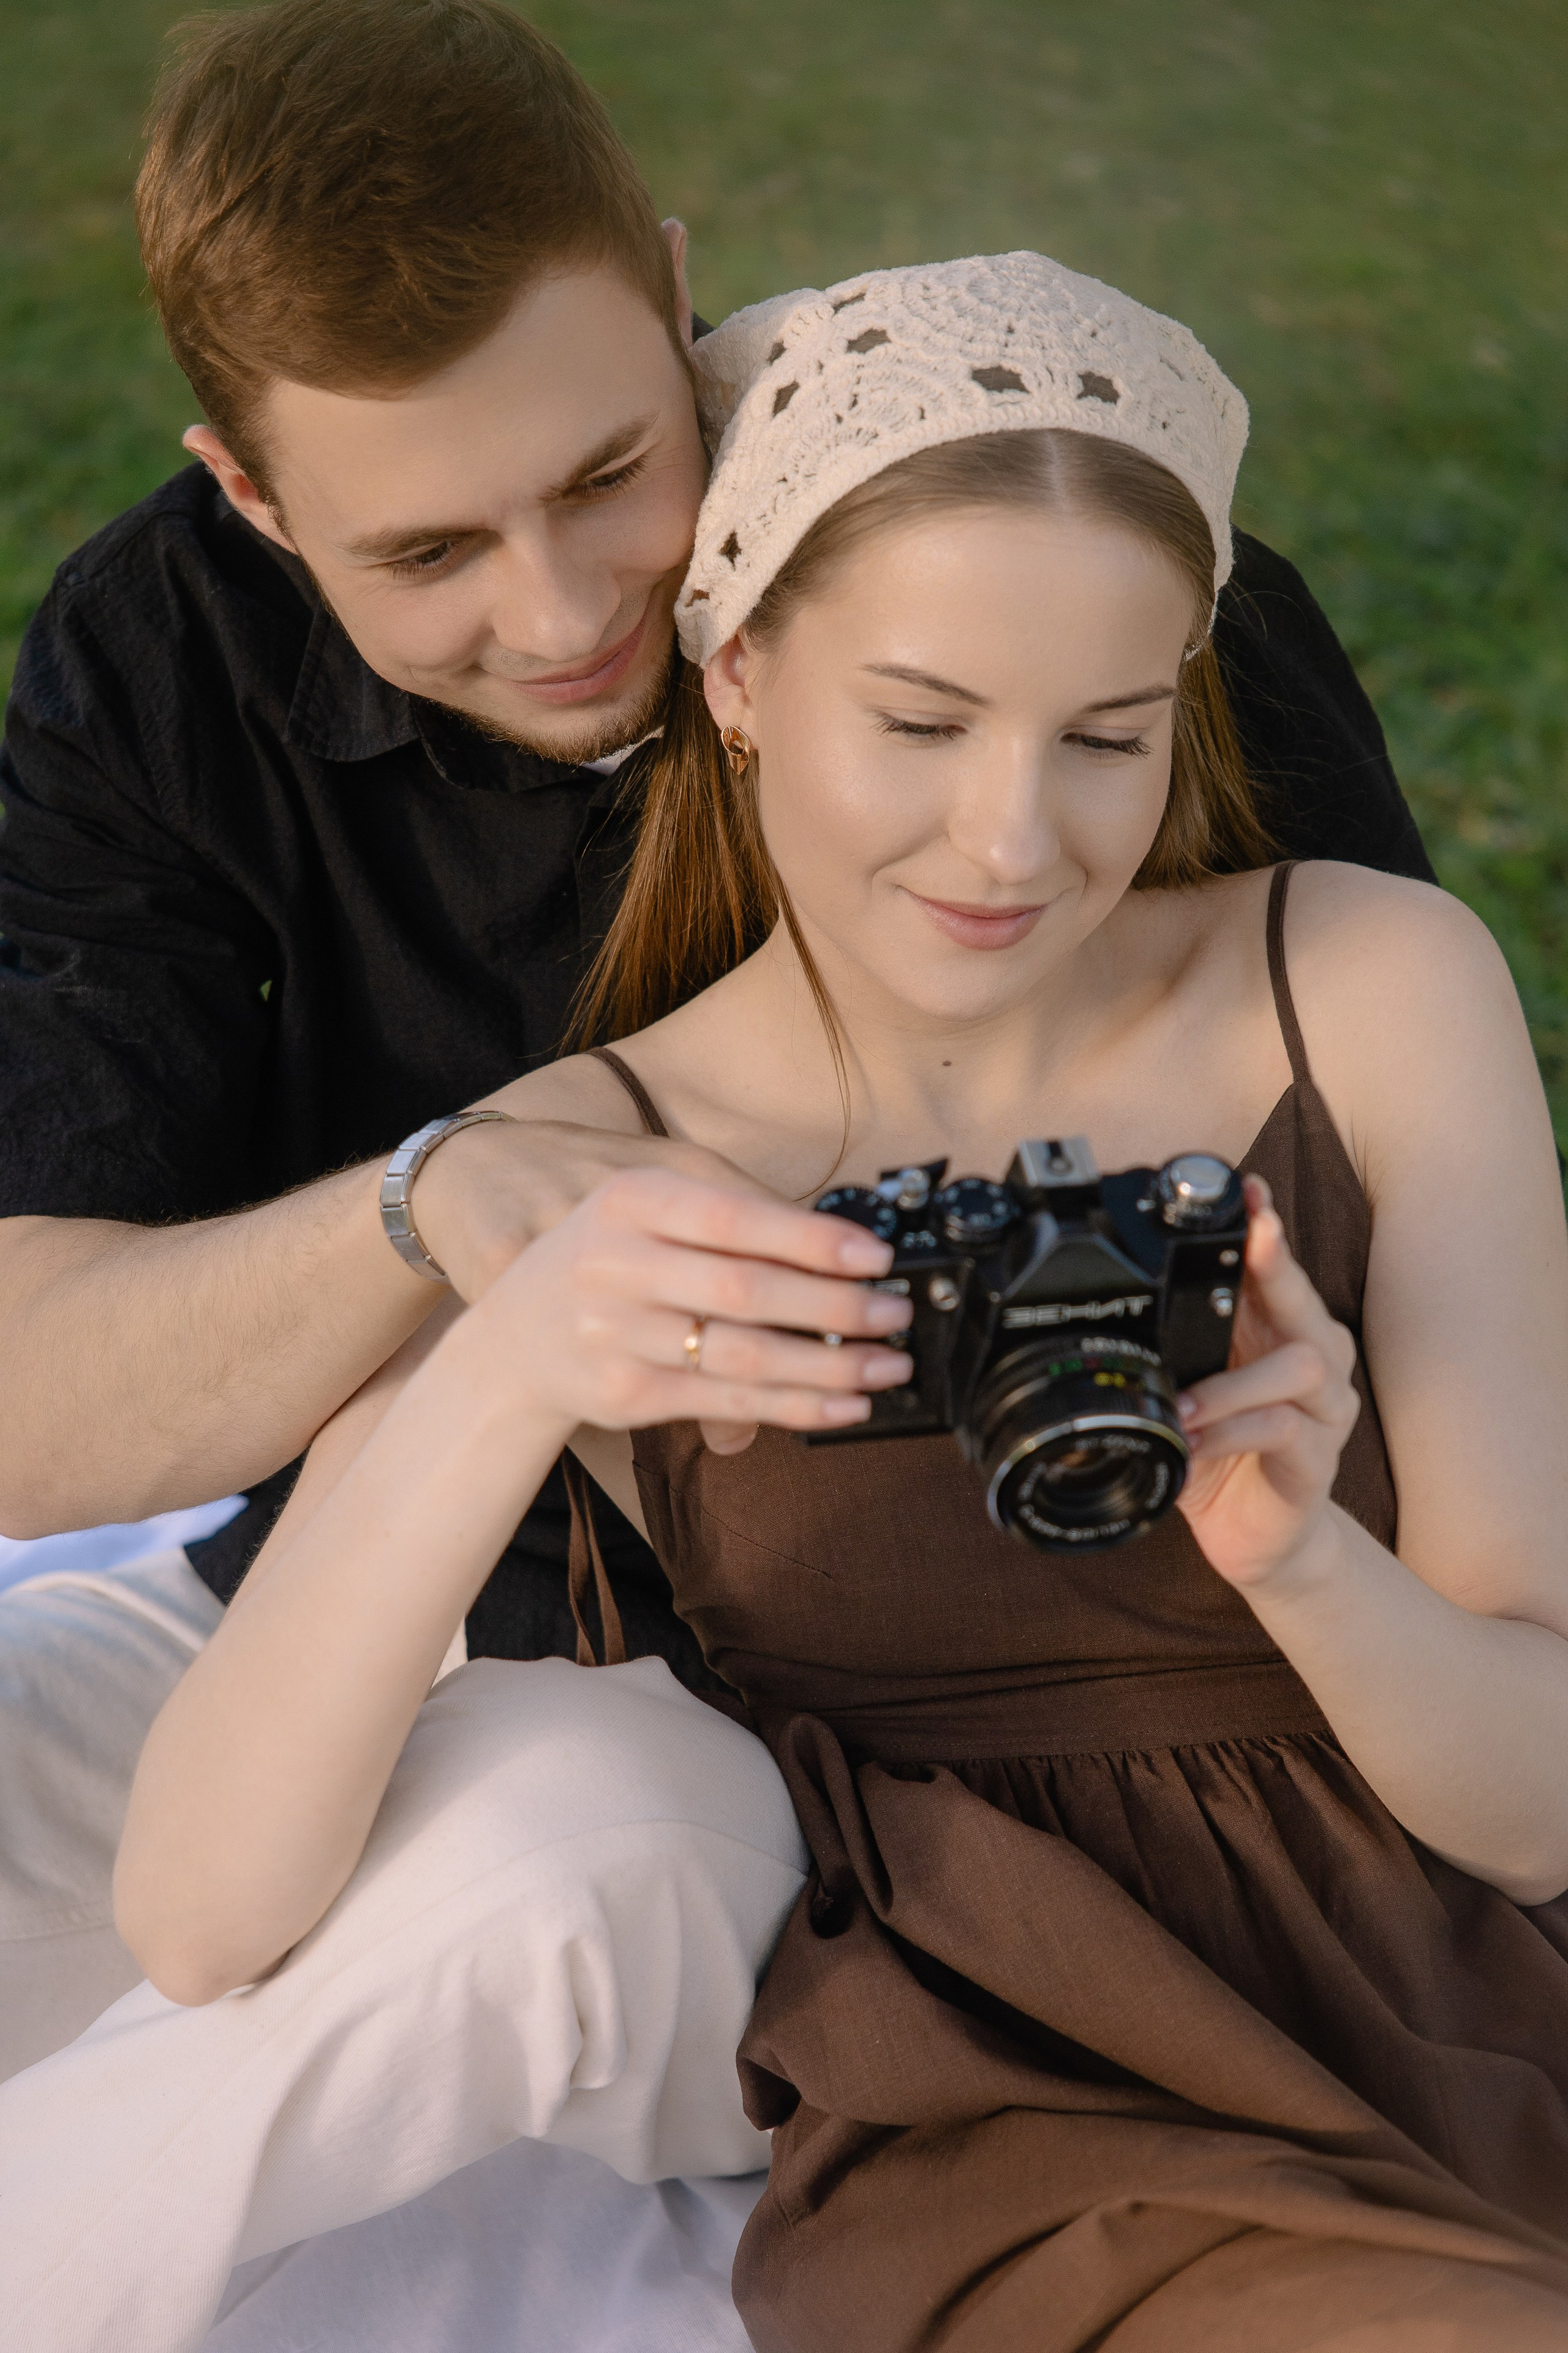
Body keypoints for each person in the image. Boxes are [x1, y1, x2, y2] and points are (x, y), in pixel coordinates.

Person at [9, 249, 1567, 2350]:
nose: (1015, 839)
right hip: (1024, 2083)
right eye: (919, 722)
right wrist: (512, 1373)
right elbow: (200, 1917)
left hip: (1475, 1976)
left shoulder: (1368, 982)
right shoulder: (602, 1148)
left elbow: (1541, 1793)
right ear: (732, 673)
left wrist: (1305, 1567)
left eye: (1109, 733)